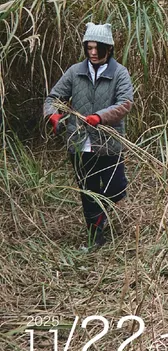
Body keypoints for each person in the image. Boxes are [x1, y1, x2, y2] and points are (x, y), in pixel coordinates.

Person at [43, 23, 133, 249]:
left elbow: (124, 103)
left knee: (117, 188)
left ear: (109, 49)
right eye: (89, 48)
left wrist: (100, 117)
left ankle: (99, 214)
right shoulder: (75, 71)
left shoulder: (119, 73)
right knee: (88, 191)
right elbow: (53, 97)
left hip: (108, 142)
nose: (93, 53)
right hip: (80, 142)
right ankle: (96, 237)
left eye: (98, 48)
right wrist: (53, 115)